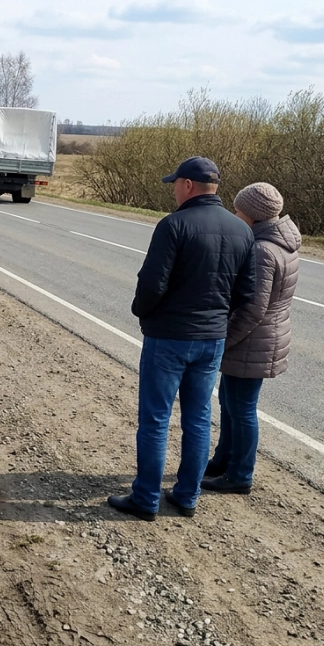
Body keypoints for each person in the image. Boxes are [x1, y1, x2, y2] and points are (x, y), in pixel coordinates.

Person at [108, 156, 255, 521]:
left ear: (188, 185)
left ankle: (145, 498)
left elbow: (151, 285)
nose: (173, 188)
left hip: (169, 337)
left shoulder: (173, 225)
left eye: (175, 183)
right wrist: (217, 315)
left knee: (156, 420)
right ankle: (187, 496)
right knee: (199, 418)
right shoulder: (242, 230)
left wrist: (144, 313)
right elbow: (247, 291)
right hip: (211, 338)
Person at [203, 183, 301, 494]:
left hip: (252, 340)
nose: (235, 215)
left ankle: (240, 475)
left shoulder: (262, 250)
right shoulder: (280, 243)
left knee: (242, 407)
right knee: (231, 403)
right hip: (261, 338)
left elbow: (253, 308)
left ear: (253, 216)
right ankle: (223, 460)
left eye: (238, 211)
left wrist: (224, 339)